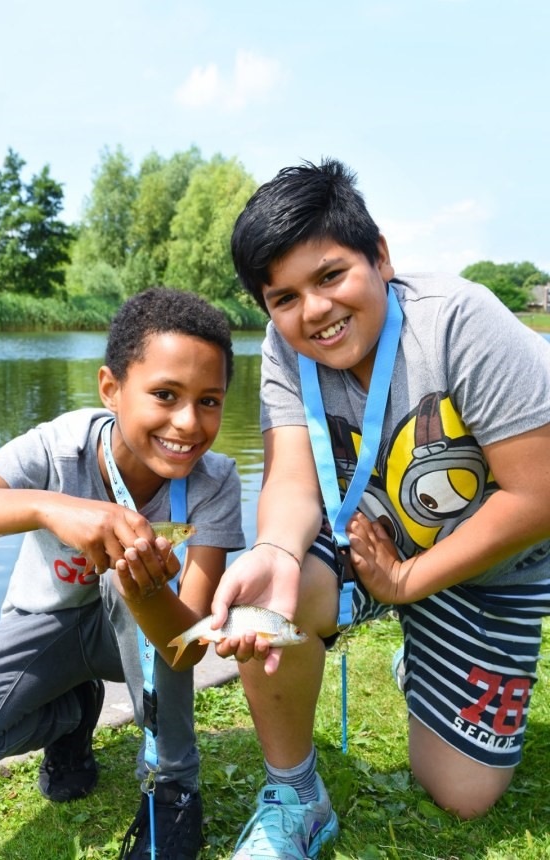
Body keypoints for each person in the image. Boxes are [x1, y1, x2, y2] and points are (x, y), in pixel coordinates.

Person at [209, 158, 550, 859]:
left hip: (498, 561)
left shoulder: (461, 321)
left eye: (331, 276)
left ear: (381, 258)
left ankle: (420, 654)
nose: (314, 311)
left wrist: (409, 582)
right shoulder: (285, 348)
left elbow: (538, 495)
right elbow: (293, 482)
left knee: (462, 794)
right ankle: (295, 797)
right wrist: (274, 551)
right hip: (371, 533)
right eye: (284, 297)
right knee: (274, 593)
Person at [0, 287, 244, 860]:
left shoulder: (216, 482)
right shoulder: (58, 447)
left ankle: (174, 790)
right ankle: (72, 717)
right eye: (164, 394)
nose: (187, 422)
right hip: (45, 628)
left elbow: (187, 650)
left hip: (142, 636)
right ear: (110, 388)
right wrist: (51, 507)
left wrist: (144, 589)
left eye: (209, 400)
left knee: (120, 574)